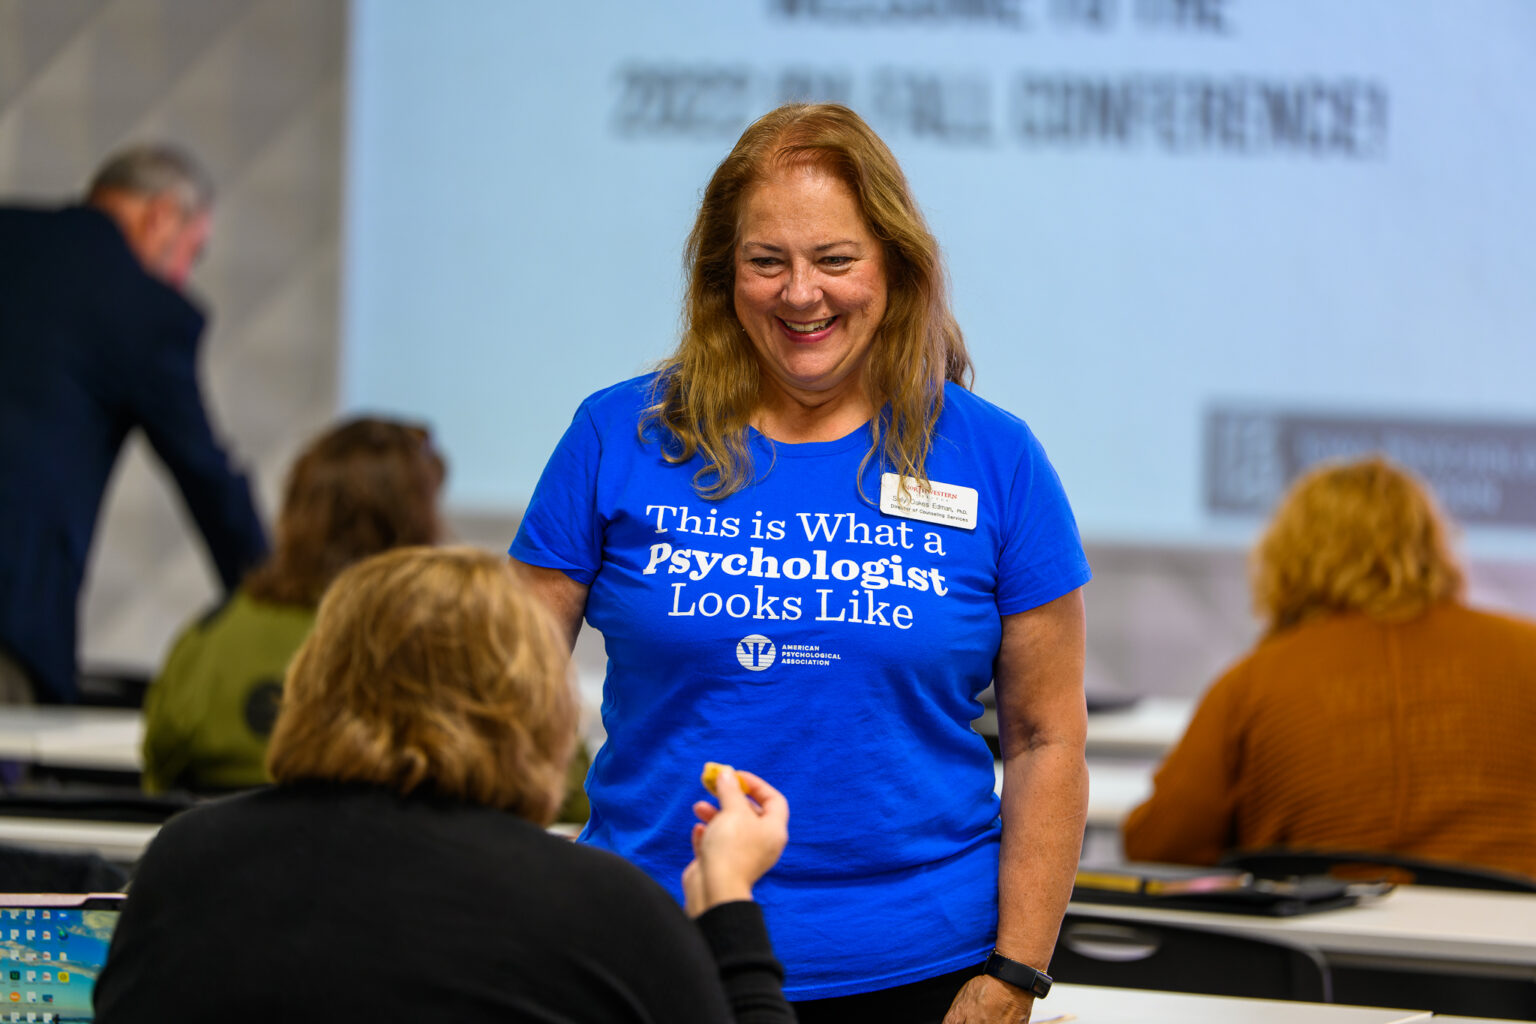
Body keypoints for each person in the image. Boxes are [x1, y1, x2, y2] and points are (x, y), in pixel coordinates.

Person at [512, 102, 1091, 1020]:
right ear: (721, 273)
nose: (801, 295)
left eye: (834, 260)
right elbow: (499, 692)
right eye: (766, 261)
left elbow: (1045, 738)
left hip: (923, 973)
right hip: (651, 956)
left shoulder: (997, 458)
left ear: (895, 266)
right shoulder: (614, 437)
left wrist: (1016, 971)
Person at [95, 546, 795, 1024]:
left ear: (316, 677)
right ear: (534, 702)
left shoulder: (187, 862)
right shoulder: (605, 909)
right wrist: (728, 903)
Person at [1122, 456, 1536, 881]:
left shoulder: (1252, 684)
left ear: (1287, 557)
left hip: (1319, 940)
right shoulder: (1528, 652)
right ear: (1435, 546)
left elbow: (1158, 845)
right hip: (1511, 938)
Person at [0, 144, 267, 703]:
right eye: (193, 253)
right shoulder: (140, 305)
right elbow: (208, 482)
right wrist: (277, 610)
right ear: (161, 215)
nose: (181, 275)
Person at [140, 417, 446, 794]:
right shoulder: (437, 656)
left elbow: (157, 778)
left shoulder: (207, 643)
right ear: (417, 524)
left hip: (221, 848)